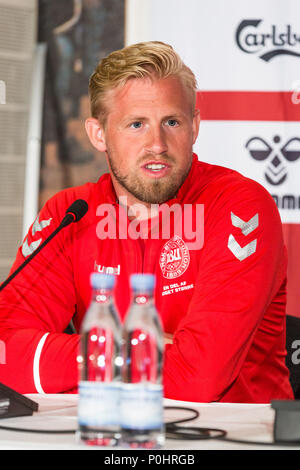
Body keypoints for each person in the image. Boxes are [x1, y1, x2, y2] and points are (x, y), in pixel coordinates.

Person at [0, 41, 294, 402]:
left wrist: (79, 357)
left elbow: (197, 380)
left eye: (172, 122)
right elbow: (5, 357)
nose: (157, 144)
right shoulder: (69, 214)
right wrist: (130, 348)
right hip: (107, 435)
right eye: (136, 124)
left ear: (195, 126)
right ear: (98, 134)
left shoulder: (239, 206)